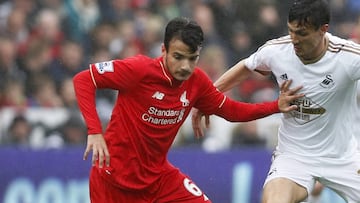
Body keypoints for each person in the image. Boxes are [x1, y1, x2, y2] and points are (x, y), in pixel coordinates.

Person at [73, 17, 303, 203]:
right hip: (113, 182)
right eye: (178, 57)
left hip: (158, 180)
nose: (185, 66)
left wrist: (275, 106)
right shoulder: (139, 70)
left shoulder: (197, 82)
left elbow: (230, 110)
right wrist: (94, 131)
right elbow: (84, 79)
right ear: (163, 50)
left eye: (192, 59)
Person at [192, 0, 360, 202]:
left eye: (302, 33)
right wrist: (209, 97)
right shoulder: (277, 51)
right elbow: (246, 66)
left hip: (342, 159)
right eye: (291, 31)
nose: (295, 40)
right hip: (294, 156)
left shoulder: (349, 57)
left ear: (323, 30)